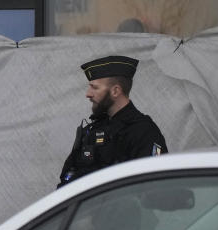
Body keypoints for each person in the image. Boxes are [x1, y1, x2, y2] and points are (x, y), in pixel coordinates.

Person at [59, 55, 168, 187]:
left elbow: (153, 186)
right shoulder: (93, 129)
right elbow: (68, 176)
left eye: (95, 87)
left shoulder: (143, 132)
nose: (88, 94)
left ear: (115, 91)